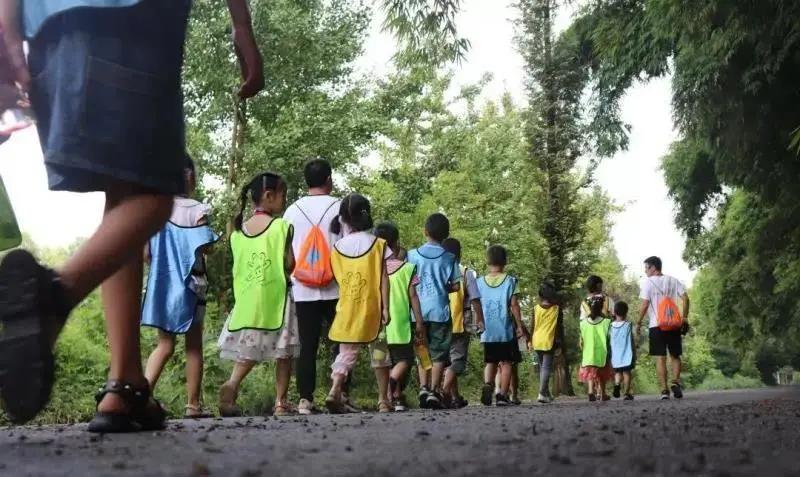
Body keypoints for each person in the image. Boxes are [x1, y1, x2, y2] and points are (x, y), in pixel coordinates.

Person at [0, 0, 263, 432]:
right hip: (133, 17)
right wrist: (241, 25)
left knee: (126, 190)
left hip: (47, 33)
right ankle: (54, 294)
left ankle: (125, 384)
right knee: (157, 193)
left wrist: (7, 26)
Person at [216, 172, 299, 417]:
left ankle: (232, 384)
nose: (284, 200)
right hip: (277, 299)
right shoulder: (281, 227)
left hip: (248, 301)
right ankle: (281, 403)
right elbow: (289, 262)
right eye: (282, 195)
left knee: (249, 349)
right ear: (268, 195)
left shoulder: (238, 232)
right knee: (283, 353)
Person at [141, 159, 218, 418]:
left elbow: (146, 255)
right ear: (192, 178)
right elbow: (206, 246)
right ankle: (193, 406)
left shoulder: (156, 210)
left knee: (164, 345)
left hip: (163, 287)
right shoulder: (197, 210)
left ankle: (140, 396)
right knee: (193, 346)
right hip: (192, 286)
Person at [283, 158, 343, 415]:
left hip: (303, 286)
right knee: (340, 340)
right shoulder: (341, 206)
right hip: (336, 285)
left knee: (307, 344)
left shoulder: (292, 210)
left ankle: (305, 399)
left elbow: (285, 250)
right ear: (328, 179)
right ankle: (339, 392)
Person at [325, 194, 393, 413]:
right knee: (380, 353)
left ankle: (335, 388)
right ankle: (383, 399)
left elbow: (338, 278)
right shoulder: (379, 245)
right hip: (373, 307)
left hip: (347, 308)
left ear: (343, 218)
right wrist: (386, 307)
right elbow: (384, 278)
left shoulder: (337, 248)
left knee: (346, 353)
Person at [407, 213, 460, 409]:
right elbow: (455, 286)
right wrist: (442, 287)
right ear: (446, 235)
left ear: (425, 231)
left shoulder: (411, 255)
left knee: (422, 349)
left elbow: (407, 282)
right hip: (440, 311)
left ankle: (422, 386)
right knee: (439, 352)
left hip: (417, 311)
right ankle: (434, 390)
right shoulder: (449, 257)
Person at [374, 223, 424, 412]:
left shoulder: (373, 270)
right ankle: (393, 385)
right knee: (405, 360)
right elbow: (413, 296)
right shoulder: (407, 268)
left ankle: (389, 398)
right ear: (397, 244)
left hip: (378, 328)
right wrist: (419, 321)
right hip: (401, 327)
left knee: (381, 361)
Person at [478, 245, 529, 407]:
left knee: (491, 362)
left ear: (488, 261)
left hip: (488, 330)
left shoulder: (479, 282)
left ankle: (488, 384)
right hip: (505, 330)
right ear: (504, 261)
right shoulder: (510, 281)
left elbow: (476, 305)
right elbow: (514, 306)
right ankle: (502, 395)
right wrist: (520, 325)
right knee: (506, 362)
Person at [637, 256, 690, 400]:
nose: (645, 271)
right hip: (673, 324)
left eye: (646, 268)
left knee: (660, 357)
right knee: (675, 355)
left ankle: (664, 391)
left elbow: (644, 305)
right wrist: (684, 317)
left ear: (653, 267)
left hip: (656, 324)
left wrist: (638, 322)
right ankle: (675, 382)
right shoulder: (673, 280)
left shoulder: (647, 283)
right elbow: (685, 298)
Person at [442, 237, 484, 409]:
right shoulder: (466, 273)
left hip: (440, 322)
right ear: (460, 254)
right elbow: (474, 299)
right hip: (460, 323)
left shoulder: (438, 270)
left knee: (445, 361)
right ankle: (443, 391)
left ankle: (455, 397)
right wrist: (480, 319)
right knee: (457, 361)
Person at [579, 275, 613, 402]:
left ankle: (590, 391)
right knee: (603, 362)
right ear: (598, 285)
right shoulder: (607, 300)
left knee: (590, 361)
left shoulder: (584, 303)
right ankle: (602, 393)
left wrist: (581, 338)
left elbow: (582, 321)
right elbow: (613, 317)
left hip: (588, 335)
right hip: (603, 333)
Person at [529, 281, 564, 404]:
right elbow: (559, 328)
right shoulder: (557, 309)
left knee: (542, 367)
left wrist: (529, 341)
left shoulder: (535, 309)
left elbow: (532, 326)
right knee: (546, 368)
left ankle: (546, 394)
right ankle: (542, 393)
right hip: (549, 341)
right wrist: (560, 344)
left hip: (537, 340)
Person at [610, 301, 635, 400]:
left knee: (618, 372)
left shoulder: (611, 326)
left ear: (614, 313)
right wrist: (634, 349)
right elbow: (631, 339)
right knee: (627, 373)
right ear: (626, 312)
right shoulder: (628, 325)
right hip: (627, 353)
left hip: (616, 355)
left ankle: (617, 384)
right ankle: (626, 393)